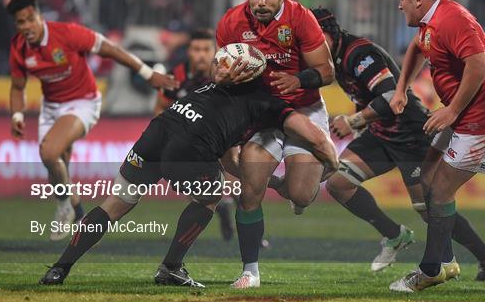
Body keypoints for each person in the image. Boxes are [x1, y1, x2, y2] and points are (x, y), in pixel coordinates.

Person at [39, 60, 339, 287]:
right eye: (221, 62)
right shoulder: (267, 103)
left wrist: (273, 183)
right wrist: (331, 159)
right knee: (212, 195)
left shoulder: (208, 87)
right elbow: (309, 135)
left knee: (116, 203)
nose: (220, 67)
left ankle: (59, 269)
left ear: (244, 72)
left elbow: (229, 159)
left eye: (226, 63)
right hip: (187, 148)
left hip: (157, 132)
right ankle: (171, 267)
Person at [311, 7, 485, 278]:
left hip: (411, 134)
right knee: (338, 184)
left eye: (315, 37)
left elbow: (391, 96)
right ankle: (395, 236)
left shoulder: (359, 54)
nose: (310, 45)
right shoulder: (332, 58)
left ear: (330, 33)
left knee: (430, 209)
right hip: (381, 133)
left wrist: (354, 121)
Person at [389, 0, 485, 293]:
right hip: (467, 119)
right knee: (428, 181)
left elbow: (481, 65)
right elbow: (419, 47)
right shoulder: (432, 21)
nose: (399, 6)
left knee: (440, 190)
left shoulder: (453, 19)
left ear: (419, 2)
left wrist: (452, 110)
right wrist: (401, 87)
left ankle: (432, 268)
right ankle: (481, 258)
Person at [7, 0, 177, 241]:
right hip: (51, 106)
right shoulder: (19, 47)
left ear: (39, 16)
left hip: (83, 102)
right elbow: (17, 86)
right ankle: (76, 210)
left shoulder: (66, 33)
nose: (27, 26)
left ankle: (64, 206)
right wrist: (17, 115)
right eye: (21, 22)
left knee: (49, 152)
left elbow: (111, 49)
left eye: (30, 19)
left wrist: (147, 73)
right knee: (56, 167)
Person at [216, 0, 335, 288]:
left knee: (301, 194)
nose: (261, 2)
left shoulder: (300, 18)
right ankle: (250, 271)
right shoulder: (231, 23)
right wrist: (225, 79)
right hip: (263, 114)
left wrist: (297, 78)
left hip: (303, 108)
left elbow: (327, 72)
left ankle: (292, 184)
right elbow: (221, 76)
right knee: (249, 185)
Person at [153, 28, 235, 241]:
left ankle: (249, 234)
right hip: (189, 141)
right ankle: (214, 213)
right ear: (188, 51)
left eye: (206, 49)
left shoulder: (227, 74)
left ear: (215, 52)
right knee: (199, 189)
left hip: (223, 137)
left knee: (241, 187)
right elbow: (161, 107)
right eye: (196, 49)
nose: (201, 55)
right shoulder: (176, 76)